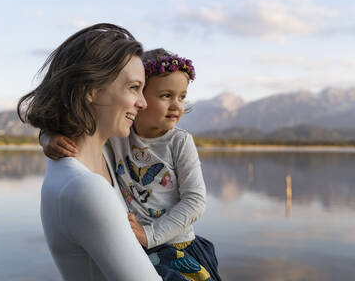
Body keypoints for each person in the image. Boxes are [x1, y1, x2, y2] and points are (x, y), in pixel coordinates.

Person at [41, 49, 222, 281]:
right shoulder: (119, 135)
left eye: (182, 97)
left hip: (176, 246)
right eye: (166, 95)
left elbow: (195, 200)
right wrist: (47, 137)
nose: (177, 105)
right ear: (142, 98)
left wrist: (150, 234)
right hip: (140, 246)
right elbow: (85, 130)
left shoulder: (179, 141)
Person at [17, 23, 162, 281]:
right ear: (90, 90)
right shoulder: (85, 188)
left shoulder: (98, 156)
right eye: (133, 88)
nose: (143, 102)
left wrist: (47, 135)